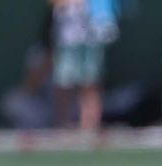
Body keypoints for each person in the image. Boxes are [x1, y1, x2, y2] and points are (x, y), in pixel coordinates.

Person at [50, 0, 120, 130]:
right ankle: (61, 125)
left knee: (90, 82)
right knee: (64, 83)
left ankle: (89, 126)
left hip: (92, 38)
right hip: (68, 40)